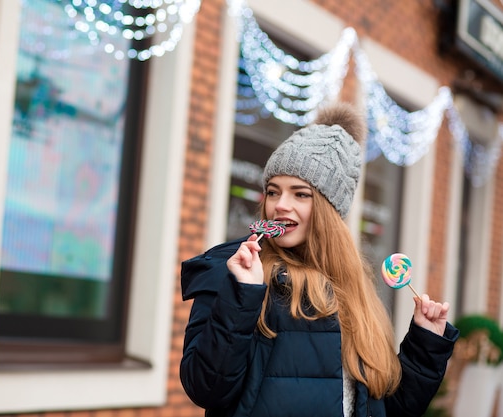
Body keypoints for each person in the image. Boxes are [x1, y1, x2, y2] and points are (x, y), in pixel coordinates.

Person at [179, 102, 459, 417]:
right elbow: (205, 387)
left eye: (300, 194)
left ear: (329, 208)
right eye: (273, 192)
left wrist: (425, 346)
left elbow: (385, 408)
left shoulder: (353, 289)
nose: (280, 205)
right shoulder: (234, 271)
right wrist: (241, 296)